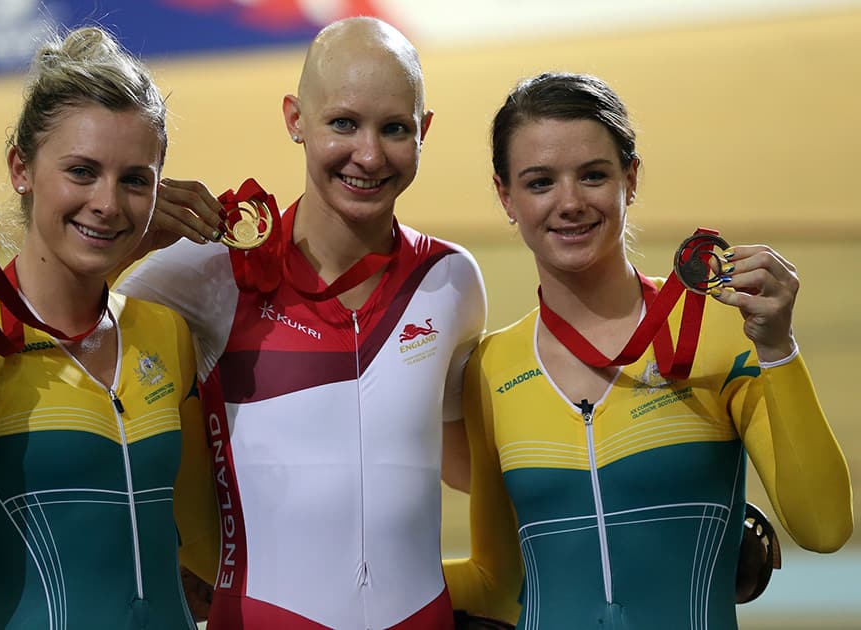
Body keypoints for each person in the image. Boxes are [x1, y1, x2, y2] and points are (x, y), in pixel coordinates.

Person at [442, 71, 855, 629]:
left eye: (593, 175)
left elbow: (824, 527)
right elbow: (497, 583)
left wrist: (778, 346)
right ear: (505, 196)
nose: (569, 203)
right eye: (539, 182)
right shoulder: (490, 370)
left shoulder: (719, 331)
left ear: (630, 180)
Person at [117, 16, 486, 630]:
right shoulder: (205, 274)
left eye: (394, 128)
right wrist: (127, 242)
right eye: (343, 122)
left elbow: (454, 455)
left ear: (423, 132)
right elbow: (73, 338)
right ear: (295, 119)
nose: (368, 154)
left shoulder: (451, 281)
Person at [0, 26, 219, 629]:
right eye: (81, 172)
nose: (109, 203)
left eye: (135, 179)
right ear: (21, 169)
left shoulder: (163, 333)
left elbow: (208, 549)